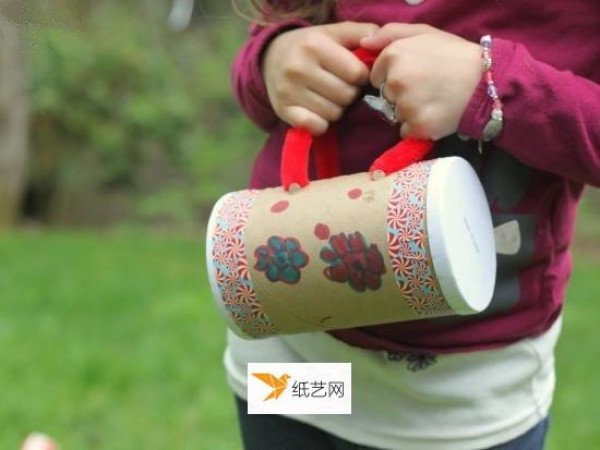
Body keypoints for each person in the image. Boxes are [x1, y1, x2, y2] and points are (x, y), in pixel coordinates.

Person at [223, 1, 600, 449]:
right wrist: (272, 60)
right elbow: (261, 66)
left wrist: (494, 88)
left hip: (466, 401)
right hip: (290, 367)